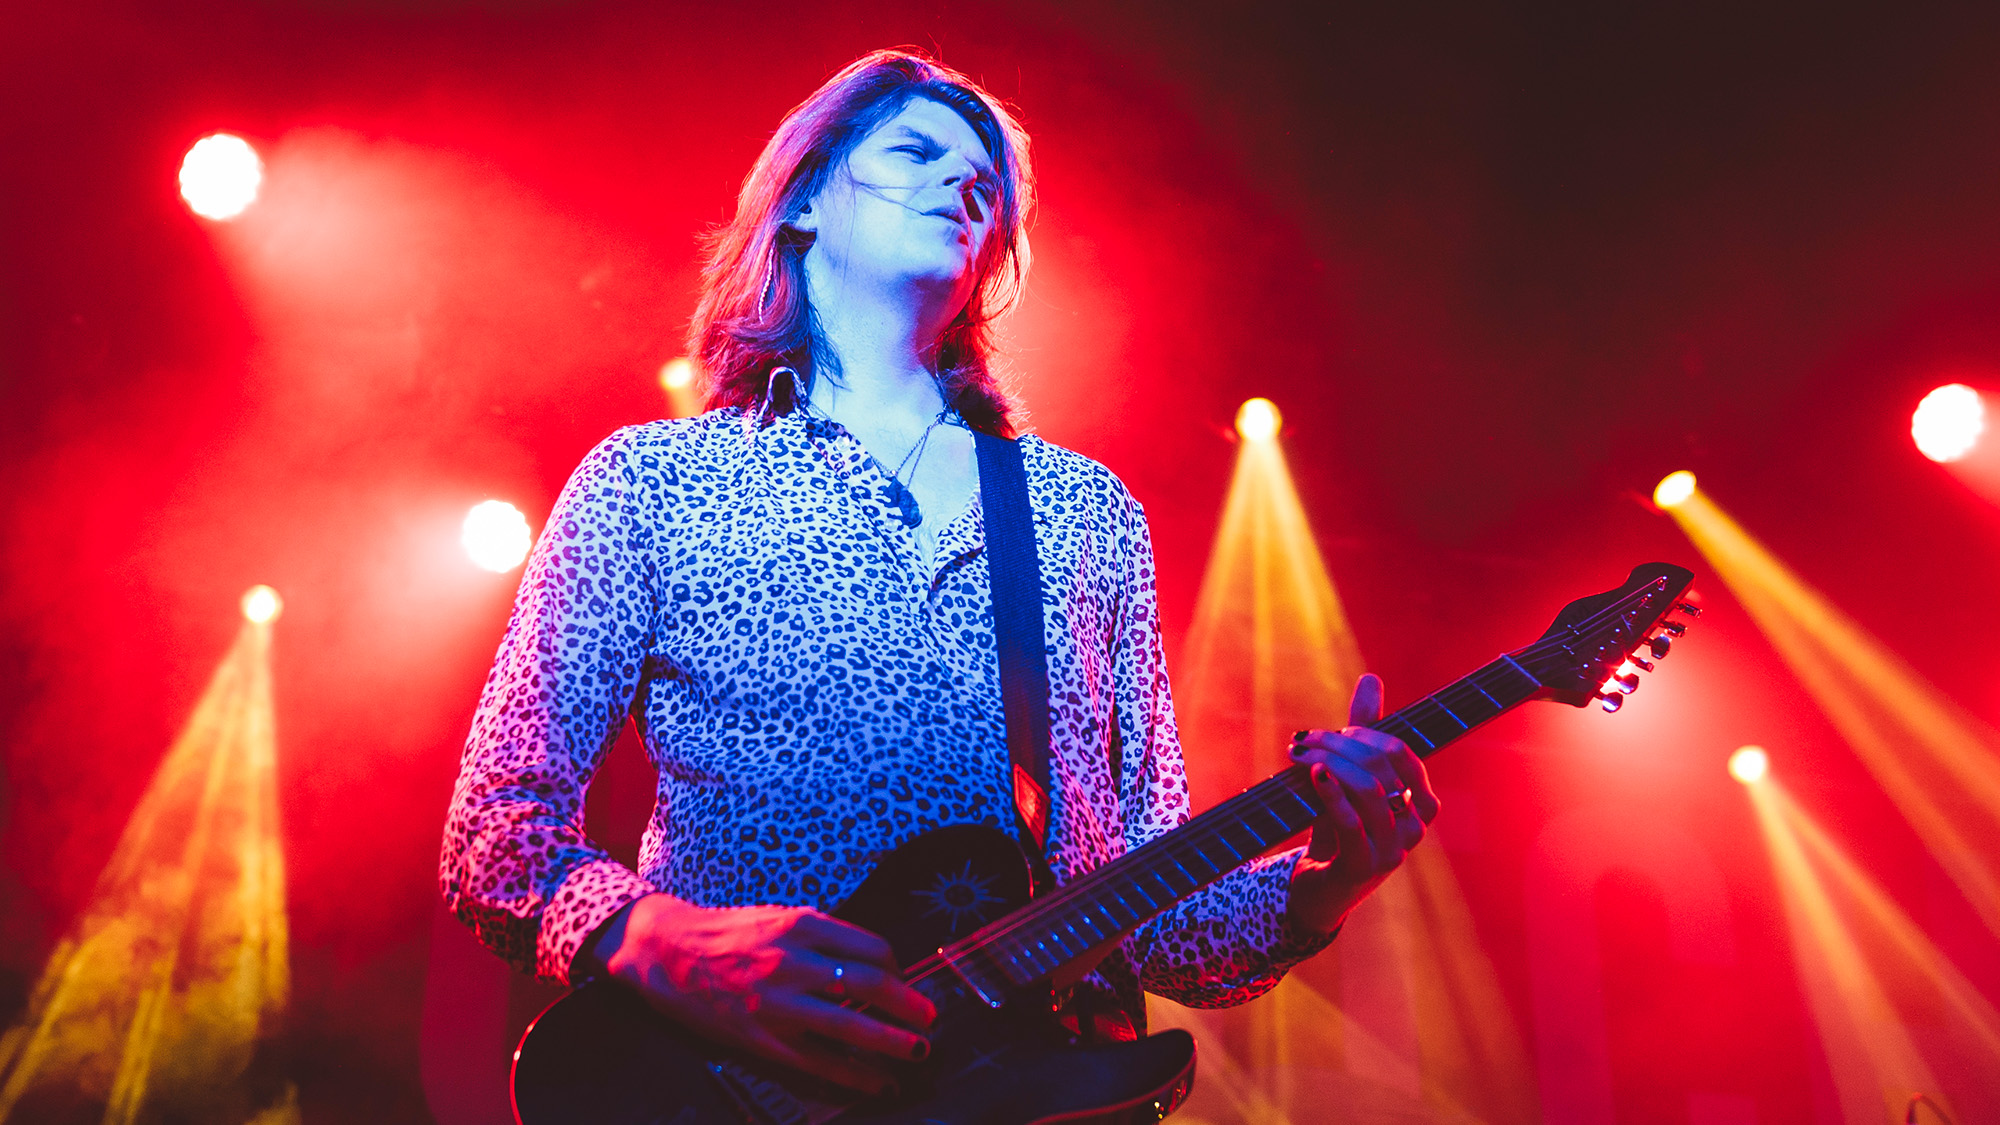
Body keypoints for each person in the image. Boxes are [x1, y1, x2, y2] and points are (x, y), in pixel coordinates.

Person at [439, 48, 1437, 1100]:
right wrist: (653, 938)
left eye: (983, 183)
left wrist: (1325, 884)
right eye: (914, 151)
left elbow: (1156, 919)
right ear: (802, 202)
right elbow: (498, 829)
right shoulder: (655, 481)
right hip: (726, 1090)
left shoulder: (1081, 511)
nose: (963, 184)